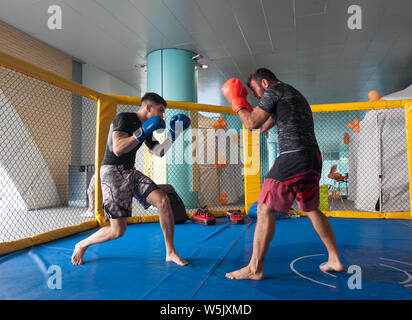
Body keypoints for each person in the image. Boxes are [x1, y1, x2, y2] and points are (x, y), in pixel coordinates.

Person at [221, 68, 344, 280]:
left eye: (254, 90)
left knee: (264, 208)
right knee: (312, 208)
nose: (256, 95)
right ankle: (334, 258)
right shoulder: (293, 94)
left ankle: (254, 268)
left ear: (265, 83)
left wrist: (236, 100)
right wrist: (248, 107)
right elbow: (260, 128)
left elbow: (250, 122)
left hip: (293, 156)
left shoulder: (273, 92)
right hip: (312, 157)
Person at [72, 92, 190, 266]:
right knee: (117, 231)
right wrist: (142, 131)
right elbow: (118, 148)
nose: (162, 115)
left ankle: (170, 252)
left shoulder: (146, 126)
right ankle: (82, 244)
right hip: (112, 173)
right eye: (160, 110)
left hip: (130, 171)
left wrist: (173, 135)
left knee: (163, 201)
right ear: (148, 107)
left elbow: (159, 152)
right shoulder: (124, 118)